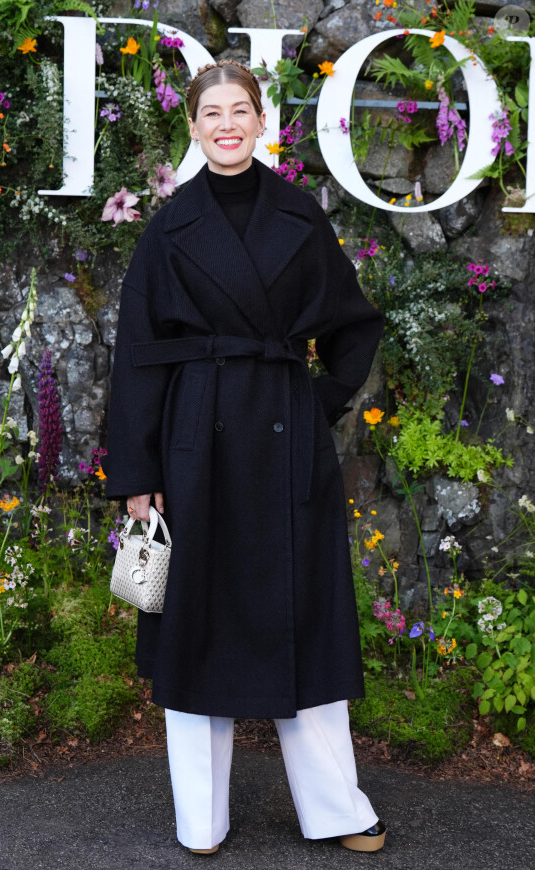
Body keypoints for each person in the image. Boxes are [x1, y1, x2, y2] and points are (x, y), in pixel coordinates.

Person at [105, 60, 385, 855]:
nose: (226, 125)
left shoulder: (300, 213)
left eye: (241, 110)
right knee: (196, 629)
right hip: (195, 442)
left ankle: (337, 809)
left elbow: (353, 325)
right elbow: (138, 357)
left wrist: (313, 403)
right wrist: (139, 477)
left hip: (281, 437)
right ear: (191, 128)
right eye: (210, 114)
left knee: (310, 625)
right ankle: (202, 820)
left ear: (263, 123)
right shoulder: (169, 227)